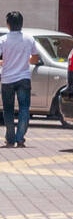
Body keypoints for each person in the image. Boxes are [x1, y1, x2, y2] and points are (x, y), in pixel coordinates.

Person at [0, 11, 40, 148]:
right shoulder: (29, 39)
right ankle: (20, 138)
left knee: (8, 110)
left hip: (7, 79)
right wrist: (25, 60)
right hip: (23, 78)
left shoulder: (3, 40)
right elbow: (35, 58)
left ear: (8, 24)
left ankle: (10, 139)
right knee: (24, 109)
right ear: (22, 24)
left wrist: (4, 62)